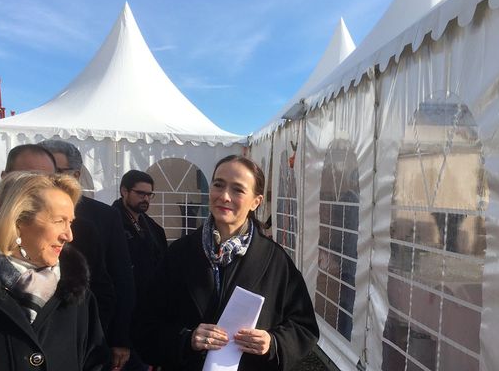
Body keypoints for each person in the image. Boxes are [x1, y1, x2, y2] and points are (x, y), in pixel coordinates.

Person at [135, 155, 319, 370]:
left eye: (238, 190)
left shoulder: (276, 262)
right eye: (218, 185)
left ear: (256, 202)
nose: (224, 196)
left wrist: (273, 343)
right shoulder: (178, 254)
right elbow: (144, 325)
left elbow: (304, 328)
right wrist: (187, 339)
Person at [0, 172, 109, 370]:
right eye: (59, 221)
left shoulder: (79, 298)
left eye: (70, 222)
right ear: (18, 220)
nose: (69, 235)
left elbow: (95, 362)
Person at [38, 139, 135, 370]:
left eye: (58, 172)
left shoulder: (102, 217)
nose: (50, 180)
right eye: (44, 173)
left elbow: (121, 278)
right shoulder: (20, 217)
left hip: (90, 335)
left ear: (77, 174)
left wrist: (120, 339)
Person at [1, 144, 116, 339]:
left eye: (49, 179)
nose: (67, 235)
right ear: (5, 178)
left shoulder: (75, 272)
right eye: (28, 179)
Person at [112, 170, 167, 371]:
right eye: (140, 193)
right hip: (120, 319)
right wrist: (120, 337)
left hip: (147, 317)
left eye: (149, 195)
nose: (145, 199)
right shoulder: (110, 222)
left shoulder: (152, 228)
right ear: (124, 191)